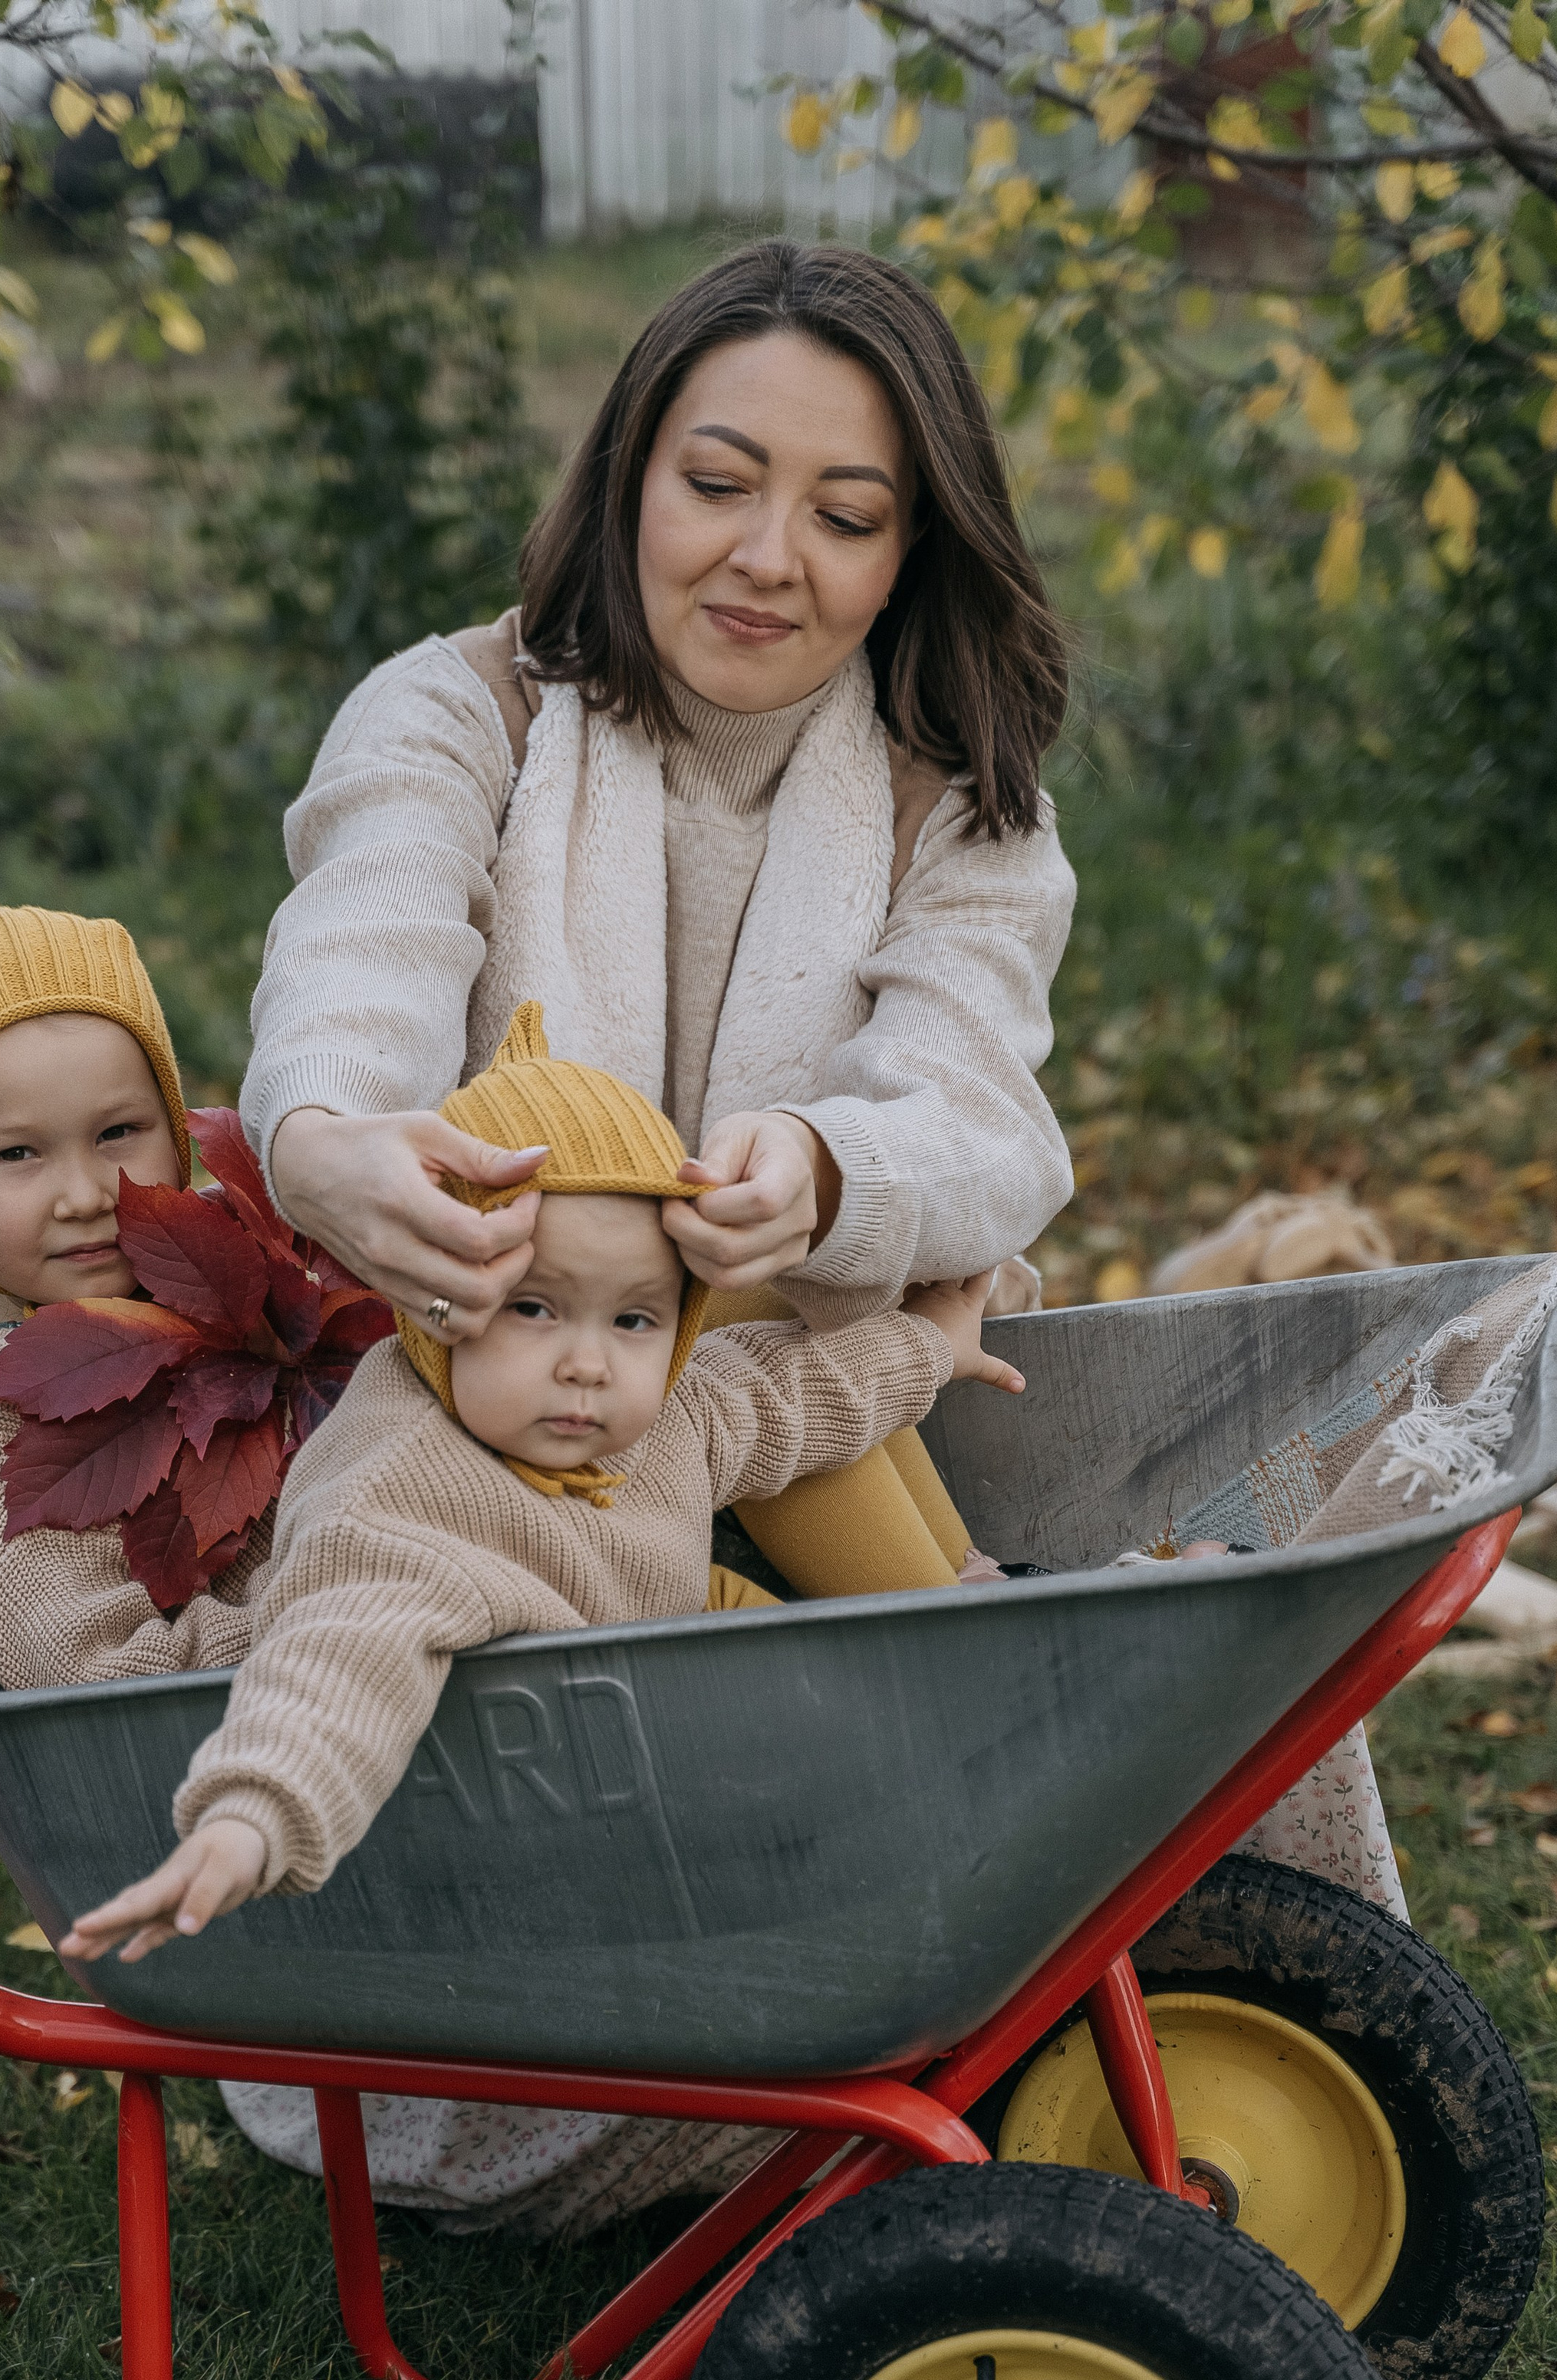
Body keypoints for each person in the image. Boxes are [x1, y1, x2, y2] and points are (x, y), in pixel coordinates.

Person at [60, 1008, 1025, 2234]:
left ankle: (908, 1917)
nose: (587, 1364)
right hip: (499, 1860)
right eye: (534, 1310)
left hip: (639, 1764)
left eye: (633, 1319)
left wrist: (928, 1352)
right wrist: (253, 1819)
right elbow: (337, 1657)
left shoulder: (661, 1412)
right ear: (438, 1301)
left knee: (785, 1639)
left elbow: (785, 1398)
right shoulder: (403, 1490)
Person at [245, 238, 1075, 1567]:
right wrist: (328, 1133)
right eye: (716, 485)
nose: (765, 557)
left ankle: (955, 1632)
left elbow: (976, 1119)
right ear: (632, 476)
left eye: (845, 518)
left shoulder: (959, 811)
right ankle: (964, 1636)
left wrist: (823, 1170)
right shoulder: (463, 713)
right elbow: (368, 942)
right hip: (499, 1409)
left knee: (761, 1305)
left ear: (912, 549)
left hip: (834, 1415)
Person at [0, 854, 284, 1679]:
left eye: (117, 1133)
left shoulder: (243, 1280)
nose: (84, 1194)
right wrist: (347, 1604)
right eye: (17, 1153)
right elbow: (102, 1679)